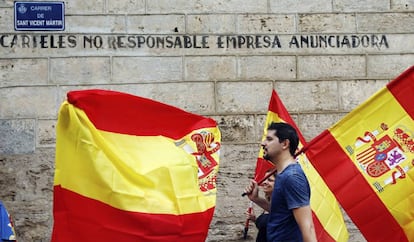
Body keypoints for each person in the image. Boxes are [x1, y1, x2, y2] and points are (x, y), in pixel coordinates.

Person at [244, 122, 317, 242]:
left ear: (285, 144)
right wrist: (256, 199)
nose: (263, 143)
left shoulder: (292, 176)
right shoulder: (284, 175)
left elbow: (307, 227)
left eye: (269, 139)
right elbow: (282, 214)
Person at [245, 170, 275, 242]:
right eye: (264, 179)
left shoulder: (285, 205)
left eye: (270, 180)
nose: (264, 182)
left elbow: (279, 213)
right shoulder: (267, 203)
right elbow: (265, 230)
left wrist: (256, 199)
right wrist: (255, 220)